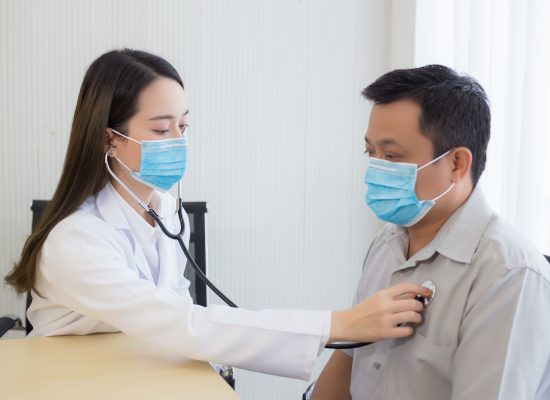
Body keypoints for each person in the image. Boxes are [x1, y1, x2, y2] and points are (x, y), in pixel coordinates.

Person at [4, 49, 431, 381]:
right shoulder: (75, 241)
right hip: (67, 383)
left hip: (135, 371)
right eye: (160, 128)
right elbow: (180, 323)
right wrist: (341, 323)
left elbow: (174, 316)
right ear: (108, 138)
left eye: (183, 127)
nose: (177, 140)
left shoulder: (165, 208)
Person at [311, 65, 550, 399]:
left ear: (456, 164)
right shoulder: (388, 241)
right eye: (371, 152)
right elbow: (350, 358)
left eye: (392, 156)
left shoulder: (509, 274)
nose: (376, 169)